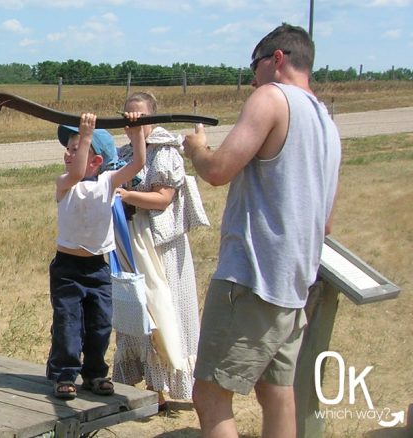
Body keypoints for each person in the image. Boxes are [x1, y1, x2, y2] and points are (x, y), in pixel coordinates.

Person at [183, 24, 340, 438]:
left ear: (278, 59)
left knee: (210, 395)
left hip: (253, 277)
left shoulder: (270, 98)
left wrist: (196, 147)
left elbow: (217, 171)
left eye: (254, 67)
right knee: (277, 393)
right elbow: (324, 222)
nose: (252, 79)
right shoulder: (326, 122)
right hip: (293, 283)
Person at [111, 92, 203, 410]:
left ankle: (161, 387)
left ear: (153, 118)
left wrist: (127, 196)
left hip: (162, 248)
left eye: (140, 117)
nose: (133, 123)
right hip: (133, 245)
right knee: (137, 311)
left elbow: (163, 198)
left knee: (164, 311)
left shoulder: (165, 153)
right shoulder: (125, 153)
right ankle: (144, 386)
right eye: (128, 118)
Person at [48, 112, 145, 399]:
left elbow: (138, 163)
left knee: (100, 324)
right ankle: (64, 374)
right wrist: (85, 136)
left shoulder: (109, 182)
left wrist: (137, 131)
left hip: (97, 269)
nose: (68, 153)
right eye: (68, 148)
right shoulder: (66, 183)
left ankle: (94, 373)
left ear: (97, 161)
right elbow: (77, 173)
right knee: (68, 324)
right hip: (67, 269)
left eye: (76, 149)